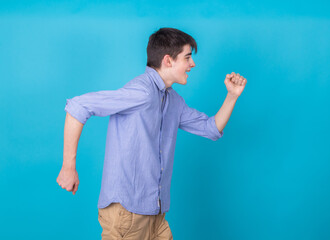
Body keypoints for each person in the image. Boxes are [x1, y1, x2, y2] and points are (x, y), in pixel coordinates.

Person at [56, 27, 247, 240]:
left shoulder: (173, 100)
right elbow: (77, 107)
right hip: (127, 214)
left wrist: (232, 96)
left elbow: (211, 129)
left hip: (156, 215)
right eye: (187, 58)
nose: (192, 64)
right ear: (168, 60)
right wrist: (68, 167)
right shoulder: (141, 92)